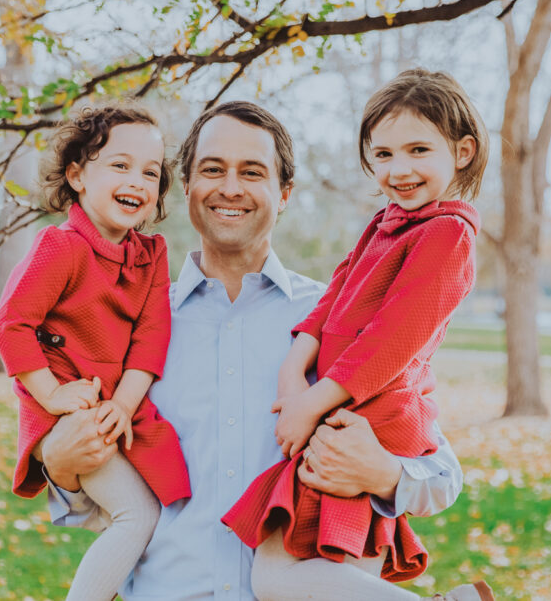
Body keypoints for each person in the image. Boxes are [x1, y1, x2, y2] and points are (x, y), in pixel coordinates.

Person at [37, 101, 468, 600]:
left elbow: (442, 476)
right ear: (186, 187)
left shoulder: (344, 320)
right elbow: (112, 508)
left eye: (252, 172)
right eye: (212, 169)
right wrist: (61, 466)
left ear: (284, 193)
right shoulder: (130, 325)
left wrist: (385, 474)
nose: (230, 188)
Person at [222, 69, 494, 601]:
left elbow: (391, 341)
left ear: (462, 151)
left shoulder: (448, 234)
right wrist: (293, 367)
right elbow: (335, 294)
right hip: (340, 409)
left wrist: (311, 403)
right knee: (302, 577)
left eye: (419, 150)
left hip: (371, 419)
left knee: (284, 578)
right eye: (384, 155)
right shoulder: (386, 222)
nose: (400, 169)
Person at [0, 105, 190, 601]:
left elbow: (151, 337)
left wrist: (123, 404)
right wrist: (54, 396)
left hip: (115, 407)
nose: (137, 181)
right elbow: (12, 325)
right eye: (120, 166)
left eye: (150, 172)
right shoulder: (61, 248)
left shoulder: (151, 256)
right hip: (64, 409)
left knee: (162, 507)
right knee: (136, 515)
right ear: (78, 175)